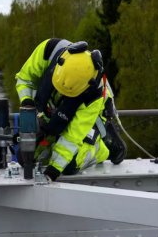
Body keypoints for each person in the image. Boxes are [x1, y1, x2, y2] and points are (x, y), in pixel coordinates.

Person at [15, 38, 126, 182]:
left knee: (69, 166)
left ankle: (103, 148)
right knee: (24, 157)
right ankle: (51, 144)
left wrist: (53, 169)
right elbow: (25, 79)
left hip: (92, 120)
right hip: (53, 113)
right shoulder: (49, 50)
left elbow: (72, 137)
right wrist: (27, 103)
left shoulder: (94, 95)